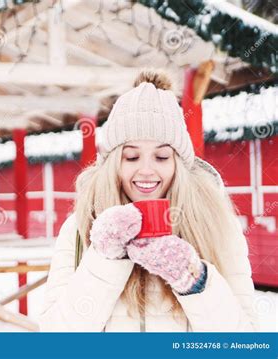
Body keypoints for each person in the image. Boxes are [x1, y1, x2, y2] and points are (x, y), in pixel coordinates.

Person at [38, 69, 258, 332]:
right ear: (113, 163)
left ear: (179, 163)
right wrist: (105, 259)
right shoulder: (79, 227)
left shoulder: (217, 225)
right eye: (131, 157)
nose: (146, 170)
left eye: (162, 157)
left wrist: (195, 281)